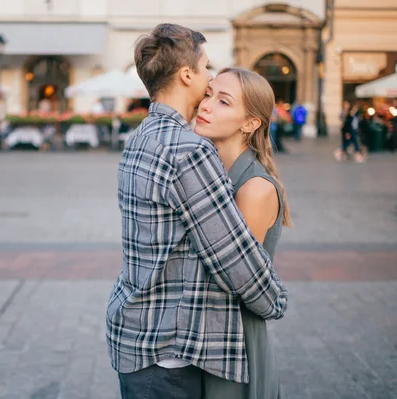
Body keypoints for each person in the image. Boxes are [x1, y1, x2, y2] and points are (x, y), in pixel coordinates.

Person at [106, 23, 287, 398]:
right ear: (187, 73)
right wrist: (277, 303)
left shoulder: (142, 135)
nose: (207, 85)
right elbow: (234, 261)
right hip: (167, 353)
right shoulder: (189, 150)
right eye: (206, 69)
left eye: (223, 98)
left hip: (137, 336)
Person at [194, 67, 292, 398]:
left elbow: (233, 278)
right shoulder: (211, 171)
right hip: (207, 339)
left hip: (234, 344)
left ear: (249, 123)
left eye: (223, 101)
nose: (205, 105)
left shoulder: (254, 188)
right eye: (208, 94)